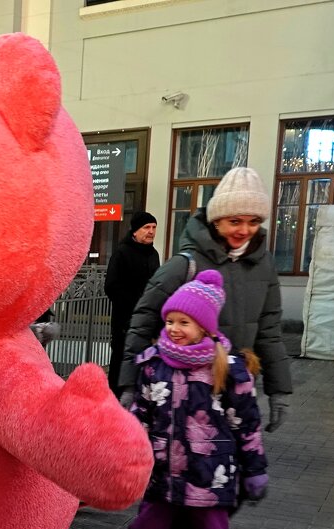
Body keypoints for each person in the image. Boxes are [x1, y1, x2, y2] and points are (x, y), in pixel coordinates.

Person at [93, 271, 267, 529]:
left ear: (204, 327)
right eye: (170, 320)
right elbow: (139, 415)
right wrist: (123, 453)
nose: (174, 328)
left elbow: (245, 424)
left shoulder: (228, 370)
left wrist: (254, 468)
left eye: (184, 322)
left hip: (209, 480)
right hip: (161, 476)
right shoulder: (153, 364)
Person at [119, 168, 292, 432]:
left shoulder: (264, 264)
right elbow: (143, 321)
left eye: (254, 221)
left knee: (235, 462)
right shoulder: (185, 264)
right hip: (185, 391)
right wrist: (129, 384)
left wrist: (279, 390)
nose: (245, 230)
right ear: (217, 220)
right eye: (235, 221)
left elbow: (269, 331)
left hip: (237, 389)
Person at [104, 211, 160, 391]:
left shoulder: (153, 254)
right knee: (120, 361)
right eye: (147, 227)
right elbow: (111, 286)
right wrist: (133, 305)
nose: (151, 231)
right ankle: (114, 400)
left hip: (147, 320)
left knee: (143, 360)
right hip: (125, 321)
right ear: (135, 231)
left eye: (153, 227)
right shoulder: (122, 253)